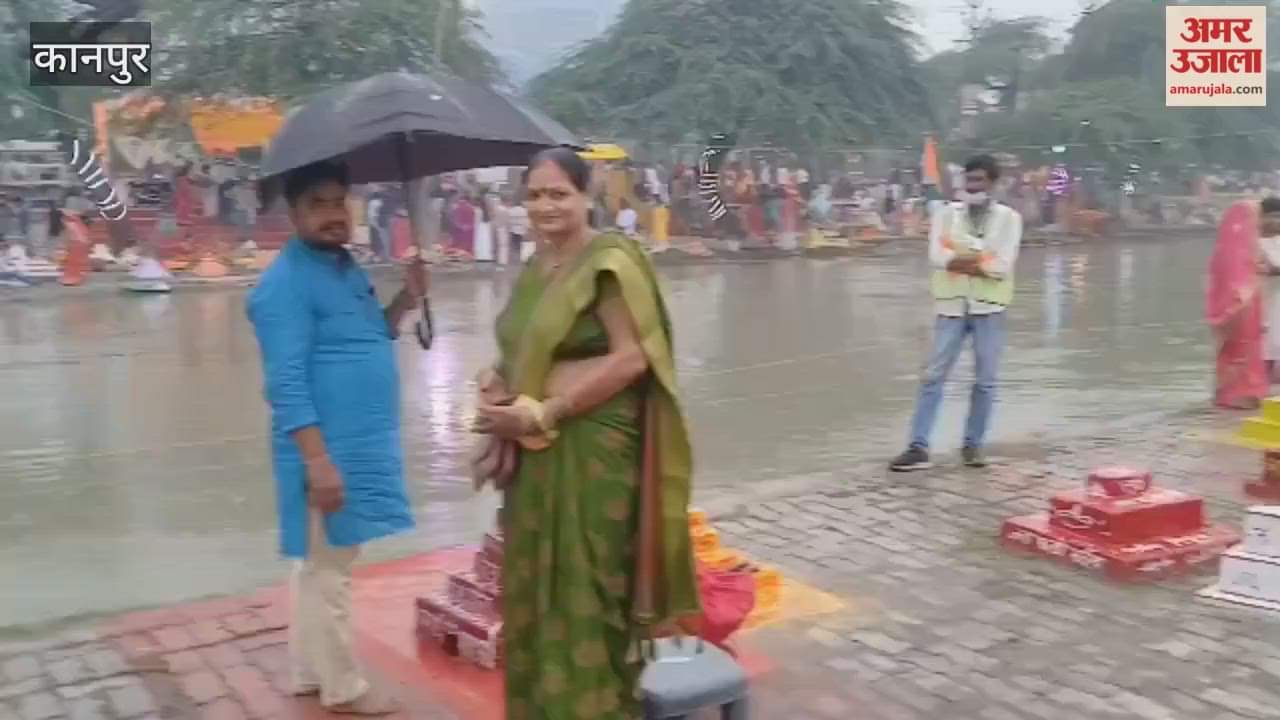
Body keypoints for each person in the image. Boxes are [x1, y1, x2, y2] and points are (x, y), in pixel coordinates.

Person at [470, 148, 700, 719]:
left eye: (558, 194)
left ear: (586, 195)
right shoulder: (535, 267)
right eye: (534, 195)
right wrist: (496, 379)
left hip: (592, 450)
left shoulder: (609, 262)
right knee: (533, 590)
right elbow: (523, 347)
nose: (545, 206)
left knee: (588, 587)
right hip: (534, 456)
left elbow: (632, 359)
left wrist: (548, 412)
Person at [245, 161, 425, 715]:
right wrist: (318, 461)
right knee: (331, 572)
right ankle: (343, 686)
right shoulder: (284, 285)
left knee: (319, 564)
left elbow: (370, 334)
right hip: (328, 448)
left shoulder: (343, 266)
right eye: (317, 204)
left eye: (338, 202)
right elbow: (285, 384)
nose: (332, 214)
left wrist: (407, 298)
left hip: (358, 442)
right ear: (293, 213)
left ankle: (309, 671)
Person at [891, 154, 1023, 471]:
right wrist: (980, 259)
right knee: (933, 376)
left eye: (979, 180)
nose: (972, 186)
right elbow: (937, 257)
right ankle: (918, 447)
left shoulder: (1009, 219)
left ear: (993, 183)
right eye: (968, 180)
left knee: (985, 381)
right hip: (950, 307)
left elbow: (1003, 266)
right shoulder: (946, 215)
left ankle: (973, 446)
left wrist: (961, 259)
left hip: (989, 308)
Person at [1208, 199, 1270, 408]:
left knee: (1232, 349)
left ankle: (1227, 393)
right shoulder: (1238, 252)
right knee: (1242, 348)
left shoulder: (1228, 250)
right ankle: (1241, 394)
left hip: (1236, 306)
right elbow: (1240, 281)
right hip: (1241, 305)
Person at [1258, 199, 1280, 380]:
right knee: (1264, 345)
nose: (1275, 221)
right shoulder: (1251, 243)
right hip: (1261, 299)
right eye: (1271, 216)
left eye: (1278, 217)